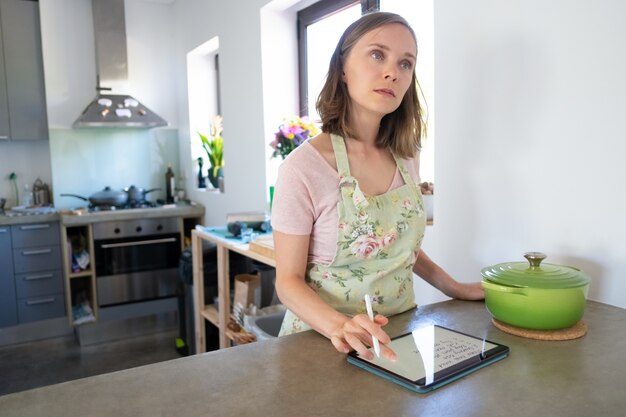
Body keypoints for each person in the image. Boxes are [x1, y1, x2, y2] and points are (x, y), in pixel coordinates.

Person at [270, 12, 483, 361]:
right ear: (342, 67)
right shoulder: (303, 168)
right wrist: (340, 326)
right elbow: (288, 282)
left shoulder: (406, 155)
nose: (392, 72)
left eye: (405, 63)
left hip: (397, 340)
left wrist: (454, 287)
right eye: (377, 55)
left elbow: (395, 249)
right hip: (321, 346)